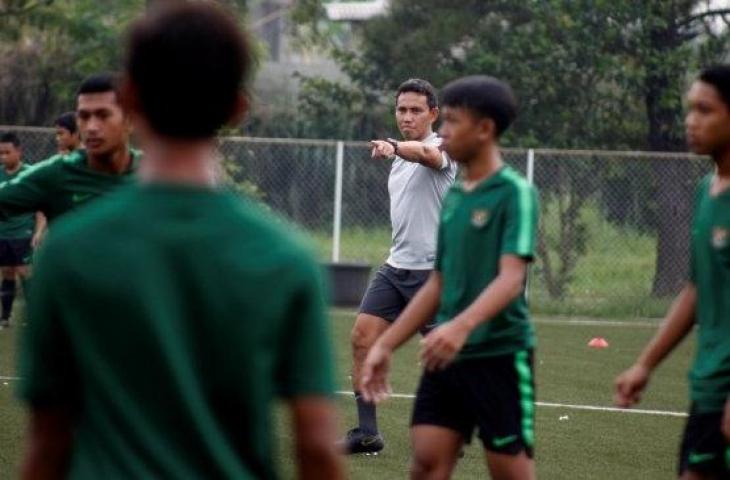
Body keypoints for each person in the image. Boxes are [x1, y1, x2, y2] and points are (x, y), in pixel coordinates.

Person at [17, 3, 344, 479]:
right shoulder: (286, 258)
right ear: (238, 107)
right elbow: (315, 447)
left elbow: (48, 444)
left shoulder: (67, 252)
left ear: (130, 98)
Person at [361, 76, 539, 480]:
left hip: (498, 354)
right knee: (425, 462)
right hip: (449, 349)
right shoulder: (458, 196)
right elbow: (440, 282)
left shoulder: (516, 193)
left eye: (453, 122)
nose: (444, 132)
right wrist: (385, 345)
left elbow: (511, 280)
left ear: (485, 129)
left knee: (509, 469)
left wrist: (458, 326)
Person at [615, 65, 730, 480]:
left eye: (705, 110)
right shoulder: (707, 190)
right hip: (709, 386)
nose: (691, 121)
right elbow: (697, 291)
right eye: (689, 109)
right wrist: (645, 364)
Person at [341, 78, 457, 454]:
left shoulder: (442, 148)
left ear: (433, 114)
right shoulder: (397, 161)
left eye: (415, 110)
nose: (407, 116)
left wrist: (393, 146)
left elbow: (425, 155)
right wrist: (394, 149)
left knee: (441, 357)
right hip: (395, 269)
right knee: (361, 338)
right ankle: (367, 433)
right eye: (401, 110)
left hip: (435, 274)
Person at [0, 73, 139, 224]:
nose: (91, 127)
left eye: (103, 115)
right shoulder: (57, 174)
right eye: (84, 117)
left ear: (130, 120)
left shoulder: (157, 176)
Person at [0, 133, 45, 328]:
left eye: (7, 152)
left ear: (19, 151)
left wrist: (38, 231)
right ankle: (5, 317)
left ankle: (35, 316)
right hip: (3, 234)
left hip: (23, 233)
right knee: (7, 272)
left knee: (25, 271)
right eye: (0, 153)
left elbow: (41, 208)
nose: (3, 157)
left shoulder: (31, 174)